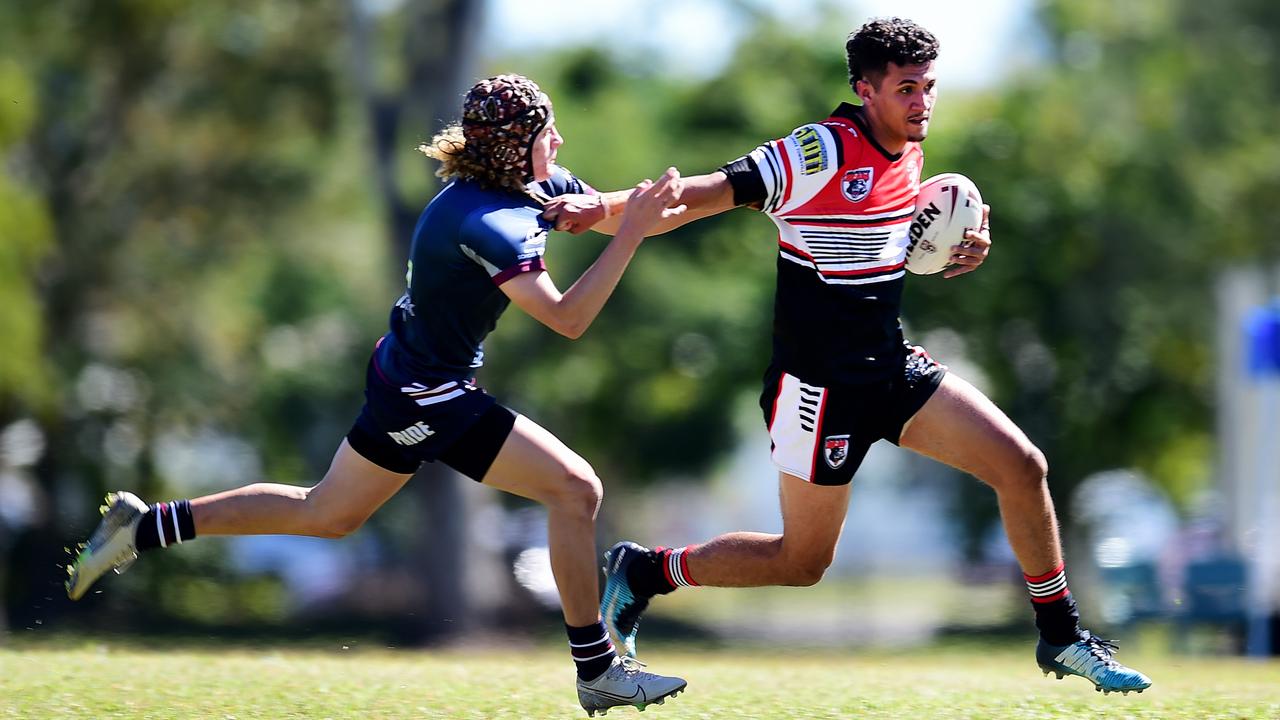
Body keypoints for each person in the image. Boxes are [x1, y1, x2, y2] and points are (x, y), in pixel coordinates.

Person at [543, 18, 1152, 695]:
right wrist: (602, 207)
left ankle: (1062, 636)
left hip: (891, 370)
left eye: (928, 87)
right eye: (904, 89)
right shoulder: (818, 152)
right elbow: (697, 196)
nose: (921, 103)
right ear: (864, 89)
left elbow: (919, 224)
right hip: (817, 392)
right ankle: (647, 571)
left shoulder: (910, 151)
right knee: (801, 561)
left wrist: (967, 240)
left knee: (1023, 466)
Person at [65, 74, 690, 716]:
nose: (557, 140)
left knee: (326, 514)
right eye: (542, 133)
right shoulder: (485, 223)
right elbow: (568, 319)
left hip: (407, 376)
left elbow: (629, 208)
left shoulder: (526, 185)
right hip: (428, 392)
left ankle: (144, 527)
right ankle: (597, 669)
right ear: (510, 148)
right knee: (576, 489)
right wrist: (630, 232)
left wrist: (747, 190)